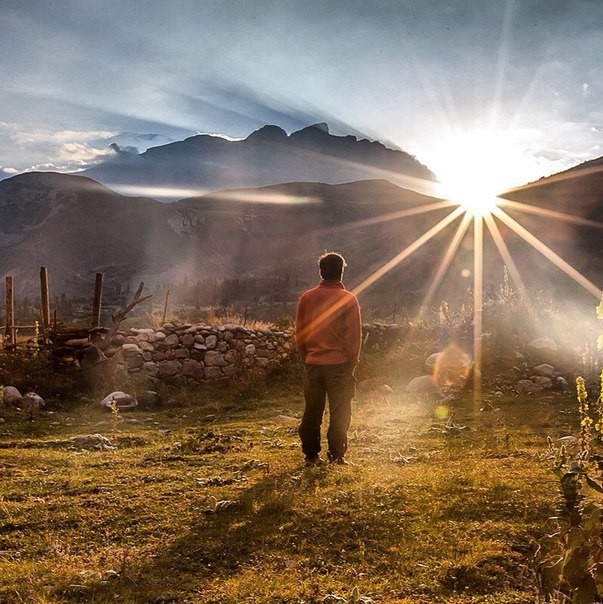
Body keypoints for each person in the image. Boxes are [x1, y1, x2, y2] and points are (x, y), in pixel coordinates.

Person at [295, 252, 362, 466]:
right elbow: (354, 336)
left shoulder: (307, 297)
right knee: (340, 411)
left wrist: (308, 357)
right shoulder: (348, 299)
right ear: (341, 271)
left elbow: (300, 333)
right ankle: (336, 456)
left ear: (321, 272)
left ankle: (311, 455)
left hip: (313, 365)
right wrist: (352, 361)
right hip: (340, 366)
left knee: (312, 410)